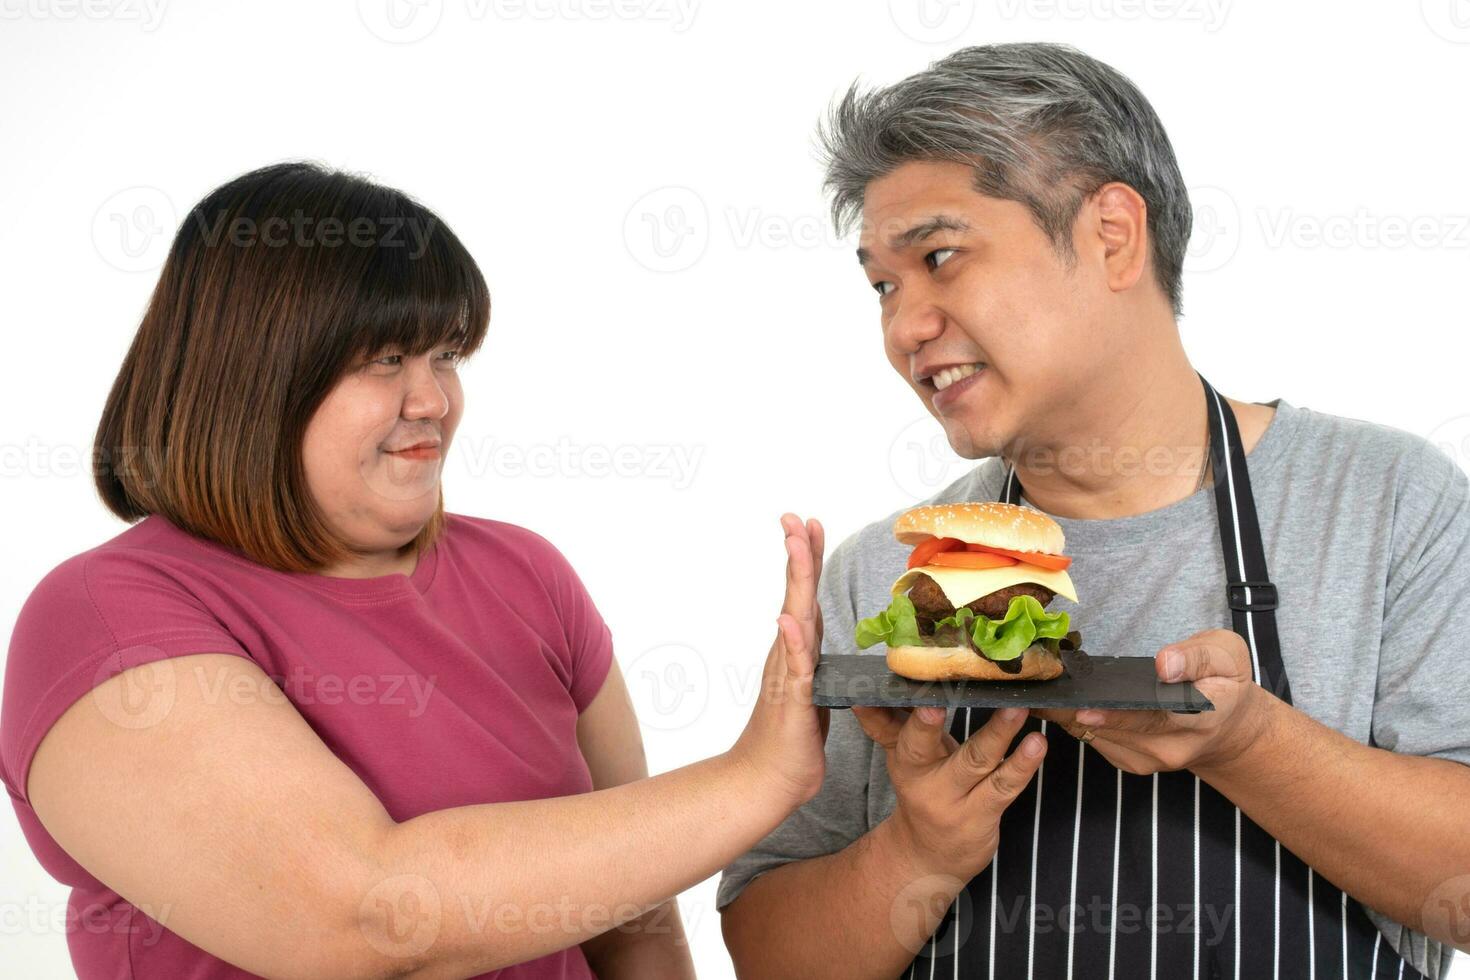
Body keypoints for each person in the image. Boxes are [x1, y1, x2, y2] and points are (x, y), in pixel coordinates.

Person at [718, 43, 1470, 980]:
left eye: (940, 258)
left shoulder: (1387, 504)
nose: (903, 328)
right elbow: (771, 958)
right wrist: (916, 855)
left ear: (1113, 234)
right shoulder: (896, 576)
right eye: (883, 285)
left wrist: (1251, 743)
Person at [0, 161, 830, 979]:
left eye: (446, 355)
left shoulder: (527, 573)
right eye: (386, 358)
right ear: (252, 375)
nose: (433, 399)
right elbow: (363, 920)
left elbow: (631, 922)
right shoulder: (106, 611)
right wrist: (756, 777)